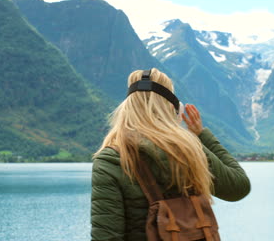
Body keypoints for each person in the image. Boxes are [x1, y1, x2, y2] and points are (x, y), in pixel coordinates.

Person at [90, 68, 251, 241]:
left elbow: (106, 236)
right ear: (172, 109)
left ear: (127, 108)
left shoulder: (111, 160)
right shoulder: (189, 149)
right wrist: (202, 136)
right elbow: (238, 187)